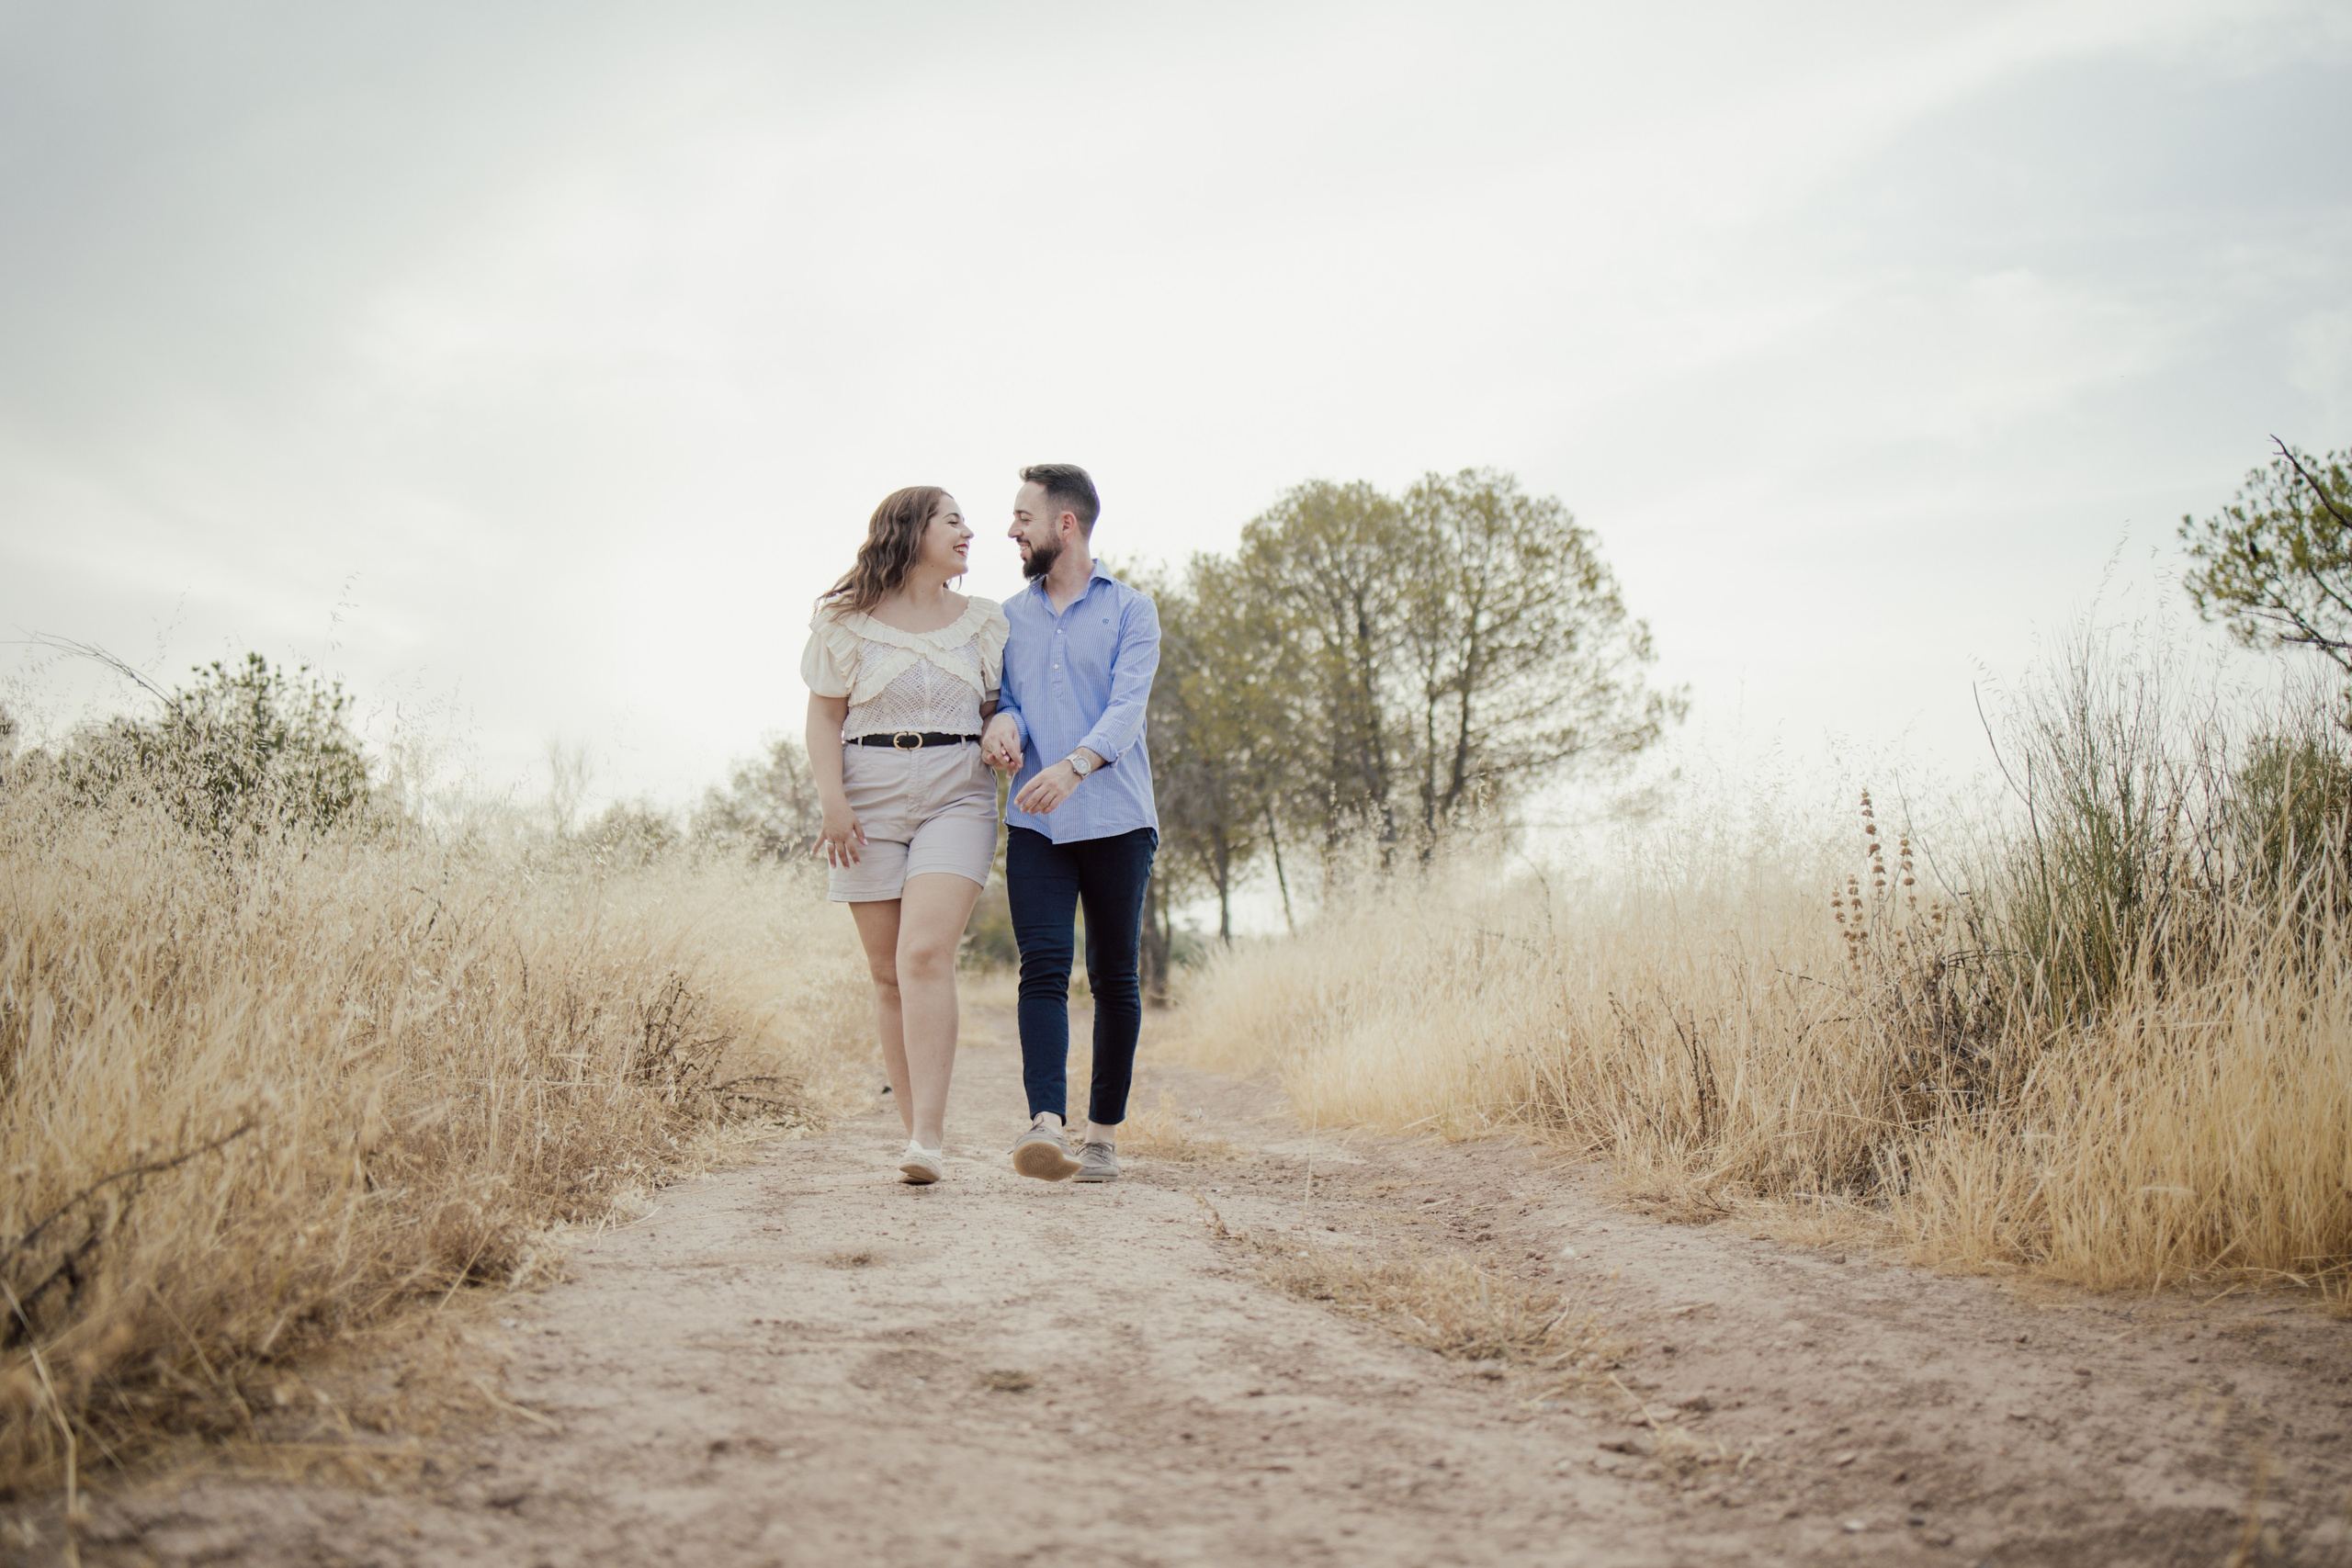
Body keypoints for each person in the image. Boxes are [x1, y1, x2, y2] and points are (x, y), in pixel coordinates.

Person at [804, 486, 1012, 1184]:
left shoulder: (984, 622)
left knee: (924, 953)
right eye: (954, 520)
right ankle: (911, 1137)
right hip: (867, 795)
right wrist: (832, 800)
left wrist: (1003, 728)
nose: (970, 532)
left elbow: (996, 707)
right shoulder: (844, 621)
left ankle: (930, 1135)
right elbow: (823, 719)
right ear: (912, 529)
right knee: (887, 972)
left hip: (957, 791)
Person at [979, 464, 1161, 1184]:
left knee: (1114, 976)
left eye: (1022, 517)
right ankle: (1046, 1126)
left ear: (1065, 524)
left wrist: (1074, 765)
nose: (1010, 530)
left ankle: (1103, 1137)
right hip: (1037, 828)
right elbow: (1012, 699)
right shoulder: (1007, 617)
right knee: (1044, 970)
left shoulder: (1132, 610)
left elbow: (1127, 709)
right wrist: (1003, 726)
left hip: (1117, 818)